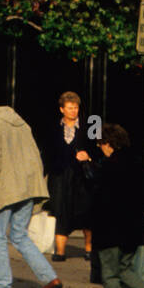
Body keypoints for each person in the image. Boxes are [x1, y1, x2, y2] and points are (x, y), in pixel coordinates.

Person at [0, 92, 62, 288]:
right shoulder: (20, 122)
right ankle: (50, 278)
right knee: (19, 235)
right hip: (28, 187)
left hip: (5, 189)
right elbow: (35, 155)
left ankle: (3, 286)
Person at [85, 123, 144, 288]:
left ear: (108, 143)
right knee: (126, 269)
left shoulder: (108, 167)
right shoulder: (137, 164)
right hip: (133, 227)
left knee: (110, 273)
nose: (100, 147)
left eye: (101, 143)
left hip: (110, 228)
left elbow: (99, 196)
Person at [44, 91, 94, 263]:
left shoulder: (90, 125)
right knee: (61, 210)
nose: (74, 111)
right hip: (60, 176)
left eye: (76, 108)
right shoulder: (52, 127)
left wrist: (89, 156)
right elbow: (47, 152)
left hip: (81, 177)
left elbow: (100, 148)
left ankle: (89, 250)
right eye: (70, 108)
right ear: (62, 109)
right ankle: (60, 251)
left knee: (86, 212)